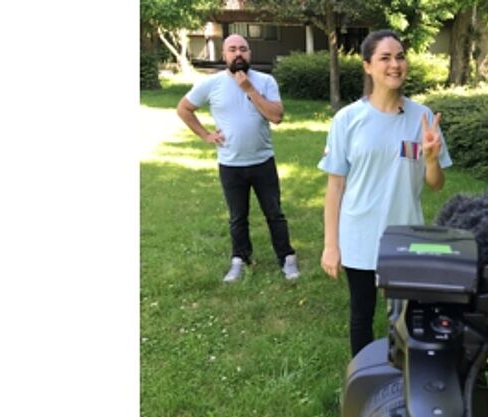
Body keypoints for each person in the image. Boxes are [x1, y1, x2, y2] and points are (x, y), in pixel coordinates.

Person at [318, 30, 452, 357]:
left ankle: (401, 378)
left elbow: (436, 184)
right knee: (361, 315)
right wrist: (331, 245)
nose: (395, 64)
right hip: (359, 236)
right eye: (385, 58)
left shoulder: (423, 118)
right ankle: (363, 380)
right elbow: (335, 187)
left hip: (405, 238)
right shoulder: (348, 119)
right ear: (367, 66)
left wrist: (431, 159)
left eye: (400, 56)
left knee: (404, 318)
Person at [176, 34, 300, 283]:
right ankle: (240, 259)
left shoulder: (265, 81)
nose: (238, 54)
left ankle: (286, 257)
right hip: (230, 164)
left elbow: (276, 116)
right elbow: (184, 108)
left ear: (250, 54)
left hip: (263, 160)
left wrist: (249, 89)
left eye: (243, 49)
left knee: (274, 213)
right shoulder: (212, 84)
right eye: (232, 49)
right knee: (237, 217)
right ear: (224, 55)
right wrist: (206, 135)